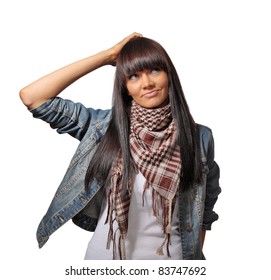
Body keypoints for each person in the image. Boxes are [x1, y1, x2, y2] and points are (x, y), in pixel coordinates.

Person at [19, 32, 221, 260]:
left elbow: (206, 203)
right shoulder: (103, 127)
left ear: (169, 75)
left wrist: (192, 258)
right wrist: (108, 56)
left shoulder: (200, 137)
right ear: (124, 86)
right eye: (134, 76)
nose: (147, 83)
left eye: (155, 70)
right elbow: (33, 97)